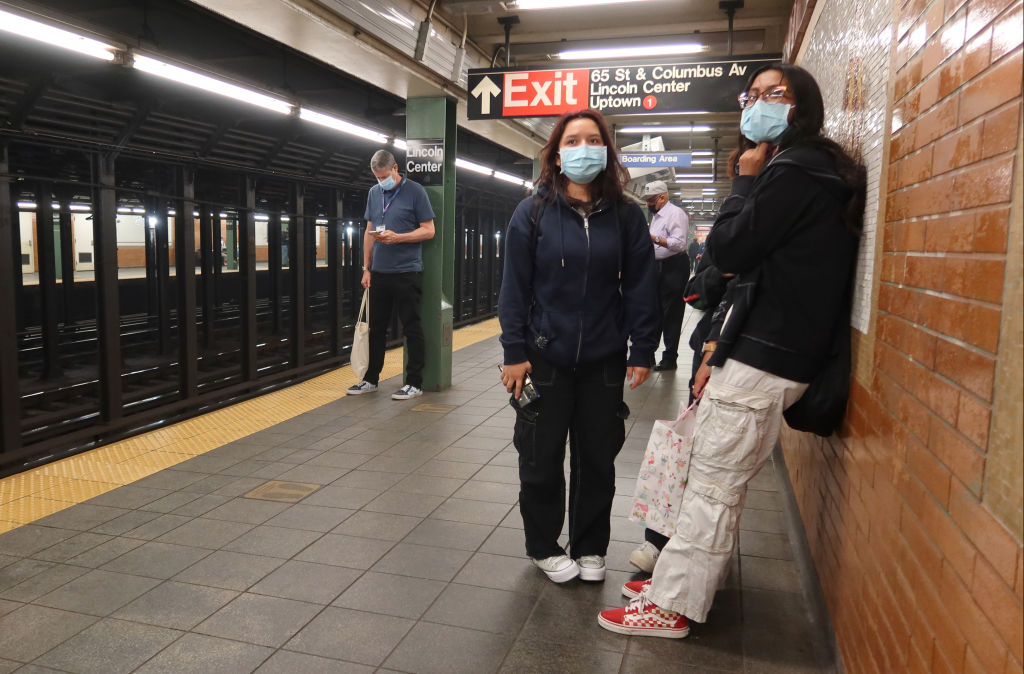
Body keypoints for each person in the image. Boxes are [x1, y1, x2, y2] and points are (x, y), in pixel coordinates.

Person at [598, 63, 863, 637]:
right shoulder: (812, 168)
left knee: (713, 486)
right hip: (769, 350)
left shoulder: (793, 172)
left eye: (776, 94)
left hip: (768, 357)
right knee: (714, 480)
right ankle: (682, 580)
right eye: (755, 94)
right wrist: (718, 349)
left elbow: (730, 249)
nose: (759, 103)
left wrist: (745, 183)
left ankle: (672, 607)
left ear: (802, 107)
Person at [498, 109, 659, 584]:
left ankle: (590, 547)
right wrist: (513, 350)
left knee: (597, 459)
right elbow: (514, 287)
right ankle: (544, 546)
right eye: (573, 141)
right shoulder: (533, 212)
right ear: (557, 153)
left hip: (604, 359)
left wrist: (643, 348)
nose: (583, 148)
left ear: (607, 151)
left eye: (593, 140)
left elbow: (642, 284)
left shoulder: (627, 214)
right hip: (544, 355)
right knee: (540, 457)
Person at [347, 150, 435, 400]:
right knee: (376, 328)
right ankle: (370, 379)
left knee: (411, 327)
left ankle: (414, 383)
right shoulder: (374, 193)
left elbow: (429, 231)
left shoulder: (416, 191)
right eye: (376, 177)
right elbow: (369, 231)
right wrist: (366, 267)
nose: (380, 181)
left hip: (407, 271)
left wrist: (399, 237)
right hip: (379, 273)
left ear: (395, 168)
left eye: (384, 176)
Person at [642, 180, 690, 372]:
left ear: (662, 197)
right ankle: (649, 354)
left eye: (651, 200)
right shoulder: (657, 216)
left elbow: (679, 244)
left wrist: (652, 238)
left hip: (674, 267)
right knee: (654, 311)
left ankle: (670, 358)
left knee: (671, 314)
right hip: (657, 267)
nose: (648, 204)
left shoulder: (675, 214)